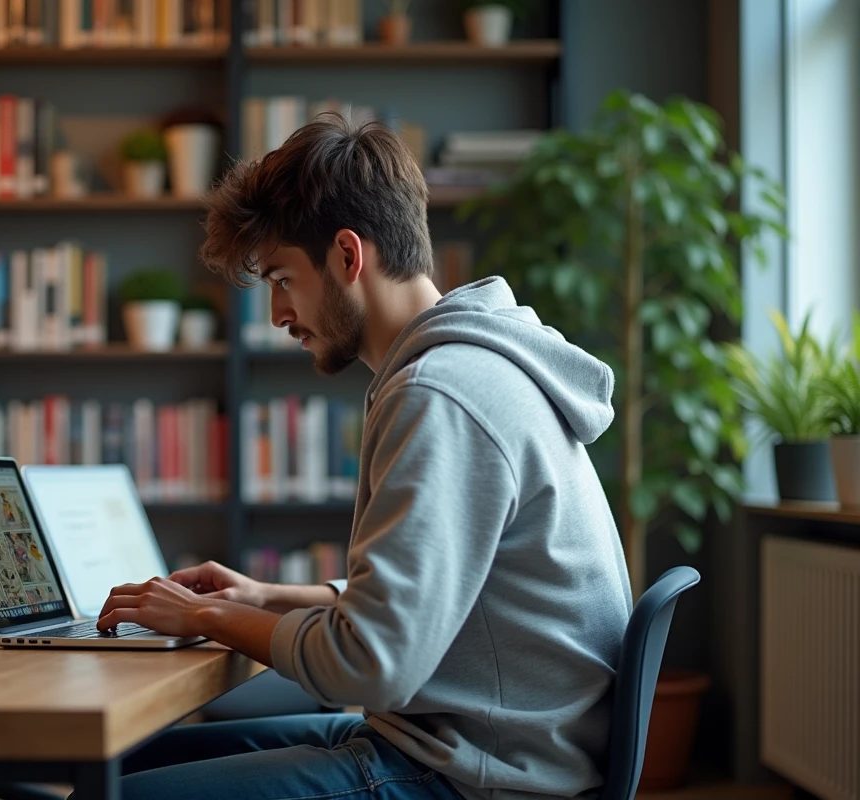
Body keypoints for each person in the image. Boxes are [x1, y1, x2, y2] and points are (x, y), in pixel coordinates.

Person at [88, 114, 634, 800]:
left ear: (348, 256)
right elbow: (440, 598)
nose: (279, 315)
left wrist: (204, 616)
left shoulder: (443, 393)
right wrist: (268, 596)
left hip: (478, 778)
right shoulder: (469, 371)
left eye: (283, 279)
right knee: (127, 769)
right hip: (467, 746)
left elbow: (371, 662)